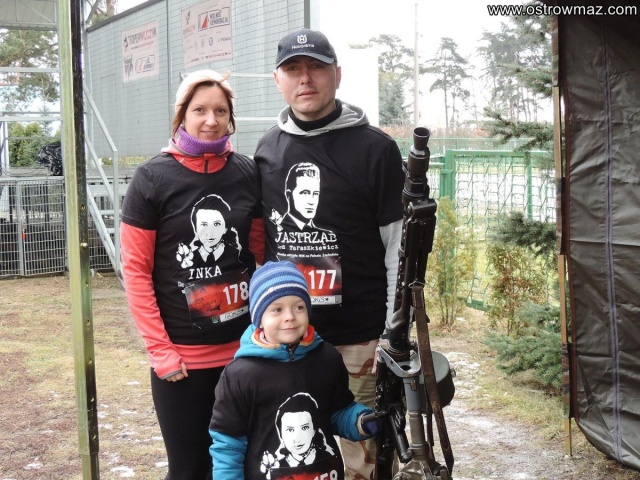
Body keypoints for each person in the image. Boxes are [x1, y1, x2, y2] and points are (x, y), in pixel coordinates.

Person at [253, 28, 405, 478]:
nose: (305, 79)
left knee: (364, 456)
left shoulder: (376, 150)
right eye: (293, 69)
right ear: (277, 80)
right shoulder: (267, 150)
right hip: (291, 341)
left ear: (337, 74)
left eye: (316, 68)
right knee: (298, 454)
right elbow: (262, 249)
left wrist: (391, 331)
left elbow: (398, 251)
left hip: (361, 342)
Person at [120, 69, 264, 480]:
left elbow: (262, 255)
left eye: (221, 110)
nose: (211, 120)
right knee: (189, 469)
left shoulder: (246, 172)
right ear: (181, 114)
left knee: (241, 466)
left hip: (243, 356)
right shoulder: (152, 178)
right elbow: (136, 271)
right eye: (199, 110)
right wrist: (160, 351)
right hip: (182, 363)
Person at [209, 261, 379, 480]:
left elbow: (337, 412)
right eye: (277, 309)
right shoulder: (240, 374)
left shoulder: (327, 358)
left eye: (299, 307)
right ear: (259, 318)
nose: (289, 316)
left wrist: (363, 422)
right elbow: (228, 443)